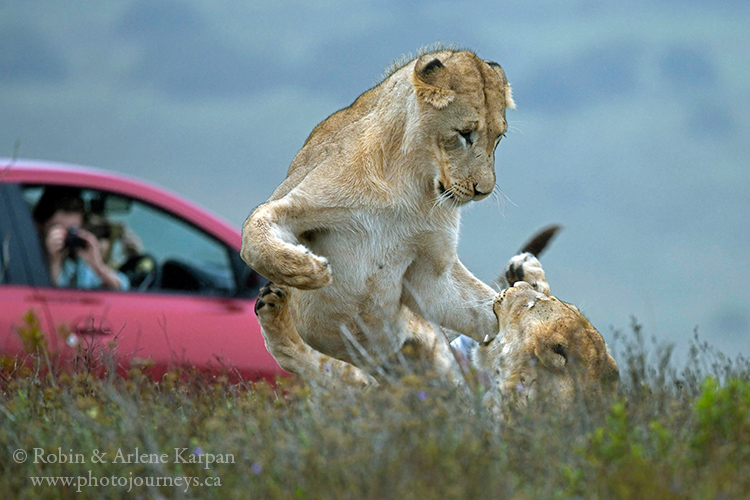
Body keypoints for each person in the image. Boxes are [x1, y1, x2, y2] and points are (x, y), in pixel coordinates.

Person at [32, 186, 130, 291]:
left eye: (72, 230)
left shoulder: (78, 260)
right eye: (58, 228)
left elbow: (122, 289)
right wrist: (54, 262)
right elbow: (46, 298)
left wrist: (97, 265)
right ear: (40, 226)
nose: (66, 236)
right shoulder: (28, 256)